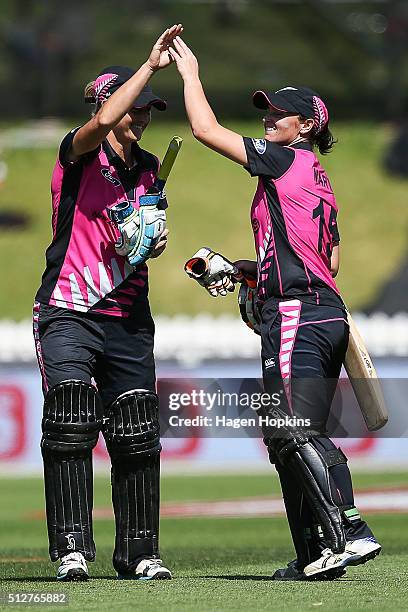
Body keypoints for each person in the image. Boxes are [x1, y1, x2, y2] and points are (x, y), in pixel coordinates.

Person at [169, 37, 381, 580]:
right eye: (268, 111)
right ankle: (317, 553)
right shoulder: (318, 180)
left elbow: (206, 132)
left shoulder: (285, 159)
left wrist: (190, 74)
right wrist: (243, 270)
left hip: (297, 313)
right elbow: (326, 255)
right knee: (288, 432)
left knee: (291, 429)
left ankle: (350, 531)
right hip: (324, 311)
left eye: (281, 113)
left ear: (306, 124)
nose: (270, 118)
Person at [32, 24, 183, 582]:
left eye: (148, 109)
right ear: (107, 103)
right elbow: (98, 125)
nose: (141, 116)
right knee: (71, 416)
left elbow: (142, 239)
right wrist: (149, 65)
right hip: (69, 308)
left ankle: (140, 553)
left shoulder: (147, 169)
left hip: (128, 316)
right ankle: (71, 548)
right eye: (134, 107)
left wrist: (152, 241)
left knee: (137, 431)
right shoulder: (78, 153)